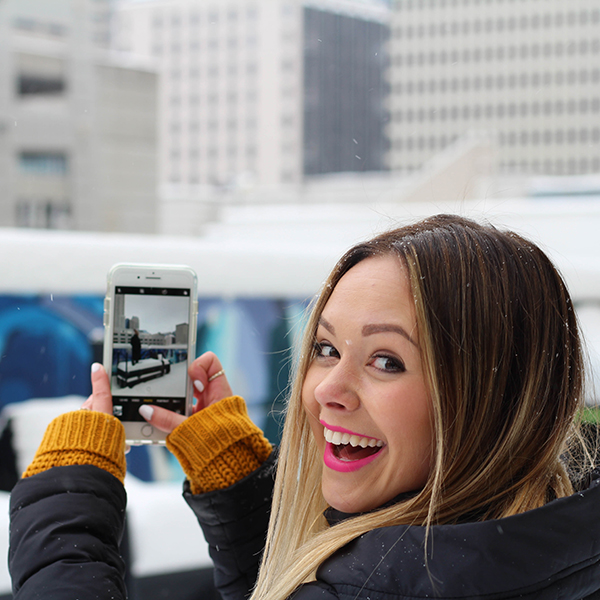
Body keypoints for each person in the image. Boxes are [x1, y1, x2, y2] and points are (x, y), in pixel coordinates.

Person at [9, 214, 600, 600]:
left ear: (492, 398)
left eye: (386, 360)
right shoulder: (554, 549)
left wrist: (65, 501)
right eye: (325, 347)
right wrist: (241, 489)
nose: (325, 389)